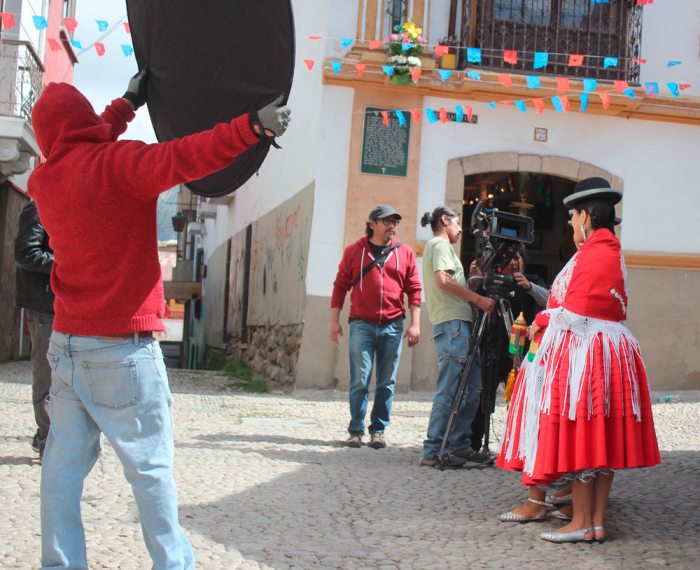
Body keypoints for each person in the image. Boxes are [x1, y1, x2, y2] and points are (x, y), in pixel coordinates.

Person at [28, 70, 291, 569]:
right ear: (82, 121)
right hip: (121, 346)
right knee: (149, 469)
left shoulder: (46, 180)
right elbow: (184, 155)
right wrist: (251, 128)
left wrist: (127, 104)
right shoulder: (118, 166)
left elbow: (82, 141)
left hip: (66, 344)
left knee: (61, 469)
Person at [496, 177, 660, 544]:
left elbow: (576, 312)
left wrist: (541, 319)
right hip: (603, 352)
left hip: (588, 356)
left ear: (585, 215)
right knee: (599, 440)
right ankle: (592, 522)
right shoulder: (608, 250)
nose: (571, 223)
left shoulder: (595, 252)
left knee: (586, 436)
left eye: (572, 217)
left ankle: (583, 521)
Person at [330, 205, 421, 449]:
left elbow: (414, 289)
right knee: (360, 379)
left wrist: (415, 324)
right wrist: (334, 321)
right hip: (362, 324)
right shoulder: (354, 252)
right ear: (372, 224)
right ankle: (356, 430)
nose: (392, 226)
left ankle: (378, 430)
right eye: (387, 221)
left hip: (393, 324)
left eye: (395, 222)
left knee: (387, 381)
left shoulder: (405, 253)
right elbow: (340, 286)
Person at [418, 207, 495, 467]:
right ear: (444, 220)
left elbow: (450, 285)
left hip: (460, 324)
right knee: (451, 390)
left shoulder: (445, 249)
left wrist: (470, 281)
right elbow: (442, 281)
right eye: (458, 223)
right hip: (453, 326)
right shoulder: (439, 245)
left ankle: (458, 445)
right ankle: (433, 449)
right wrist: (477, 298)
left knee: (472, 390)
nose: (461, 229)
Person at [469, 251, 548, 454]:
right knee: (482, 397)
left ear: (523, 261)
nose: (512, 262)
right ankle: (473, 443)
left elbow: (549, 300)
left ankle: (523, 447)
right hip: (491, 347)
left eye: (516, 257)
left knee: (523, 400)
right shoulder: (491, 282)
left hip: (521, 352)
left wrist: (529, 287)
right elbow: (475, 306)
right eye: (506, 258)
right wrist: (476, 282)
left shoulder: (532, 280)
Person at [14, 200, 55, 460]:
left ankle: (51, 437)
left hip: (59, 304)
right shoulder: (38, 207)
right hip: (43, 305)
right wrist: (66, 263)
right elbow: (25, 253)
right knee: (46, 378)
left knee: (62, 378)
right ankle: (47, 442)